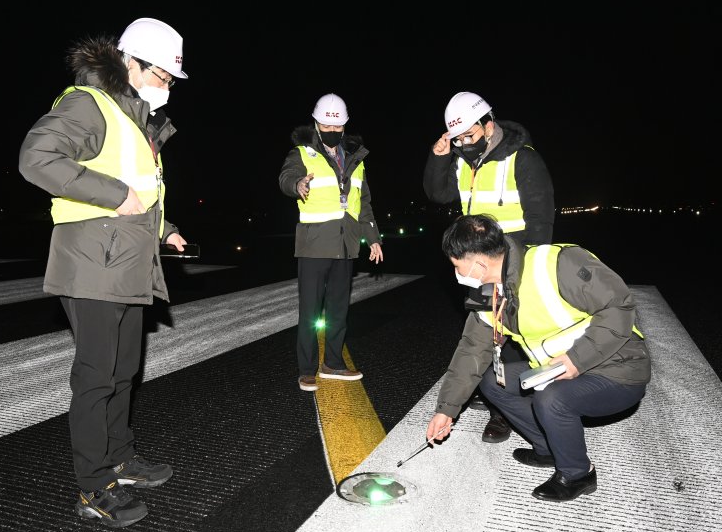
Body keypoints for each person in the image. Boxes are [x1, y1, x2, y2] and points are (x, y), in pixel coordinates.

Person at [19, 18, 190, 528]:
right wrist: (115, 197)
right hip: (92, 263)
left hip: (130, 262)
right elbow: (37, 158)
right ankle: (93, 487)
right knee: (96, 377)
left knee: (123, 372)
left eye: (171, 80)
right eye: (162, 75)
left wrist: (166, 229)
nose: (167, 87)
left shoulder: (132, 117)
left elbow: (141, 188)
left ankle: (119, 458)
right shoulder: (88, 103)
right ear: (131, 62)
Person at [426, 214, 650, 501]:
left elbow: (619, 306)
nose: (456, 273)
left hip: (618, 368)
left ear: (479, 264)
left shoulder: (557, 264)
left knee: (553, 399)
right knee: (493, 380)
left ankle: (578, 473)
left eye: (457, 266)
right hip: (555, 368)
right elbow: (472, 351)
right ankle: (549, 448)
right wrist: (446, 409)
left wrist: (577, 359)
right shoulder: (487, 293)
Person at [423, 91, 555, 443]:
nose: (464, 144)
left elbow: (541, 218)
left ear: (489, 126)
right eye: (458, 139)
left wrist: (530, 271)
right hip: (478, 264)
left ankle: (510, 411)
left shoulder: (522, 160)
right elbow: (437, 194)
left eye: (469, 136)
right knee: (488, 337)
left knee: (516, 337)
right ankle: (498, 403)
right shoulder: (464, 163)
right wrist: (439, 157)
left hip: (517, 263)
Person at [278, 93, 383, 392]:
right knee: (310, 310)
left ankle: (333, 363)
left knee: (339, 308)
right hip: (314, 244)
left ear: (345, 127)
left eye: (337, 127)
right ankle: (306, 368)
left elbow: (364, 203)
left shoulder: (356, 159)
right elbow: (286, 177)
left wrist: (372, 238)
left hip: (347, 244)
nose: (332, 131)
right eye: (326, 125)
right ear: (316, 123)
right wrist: (297, 184)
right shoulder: (301, 153)